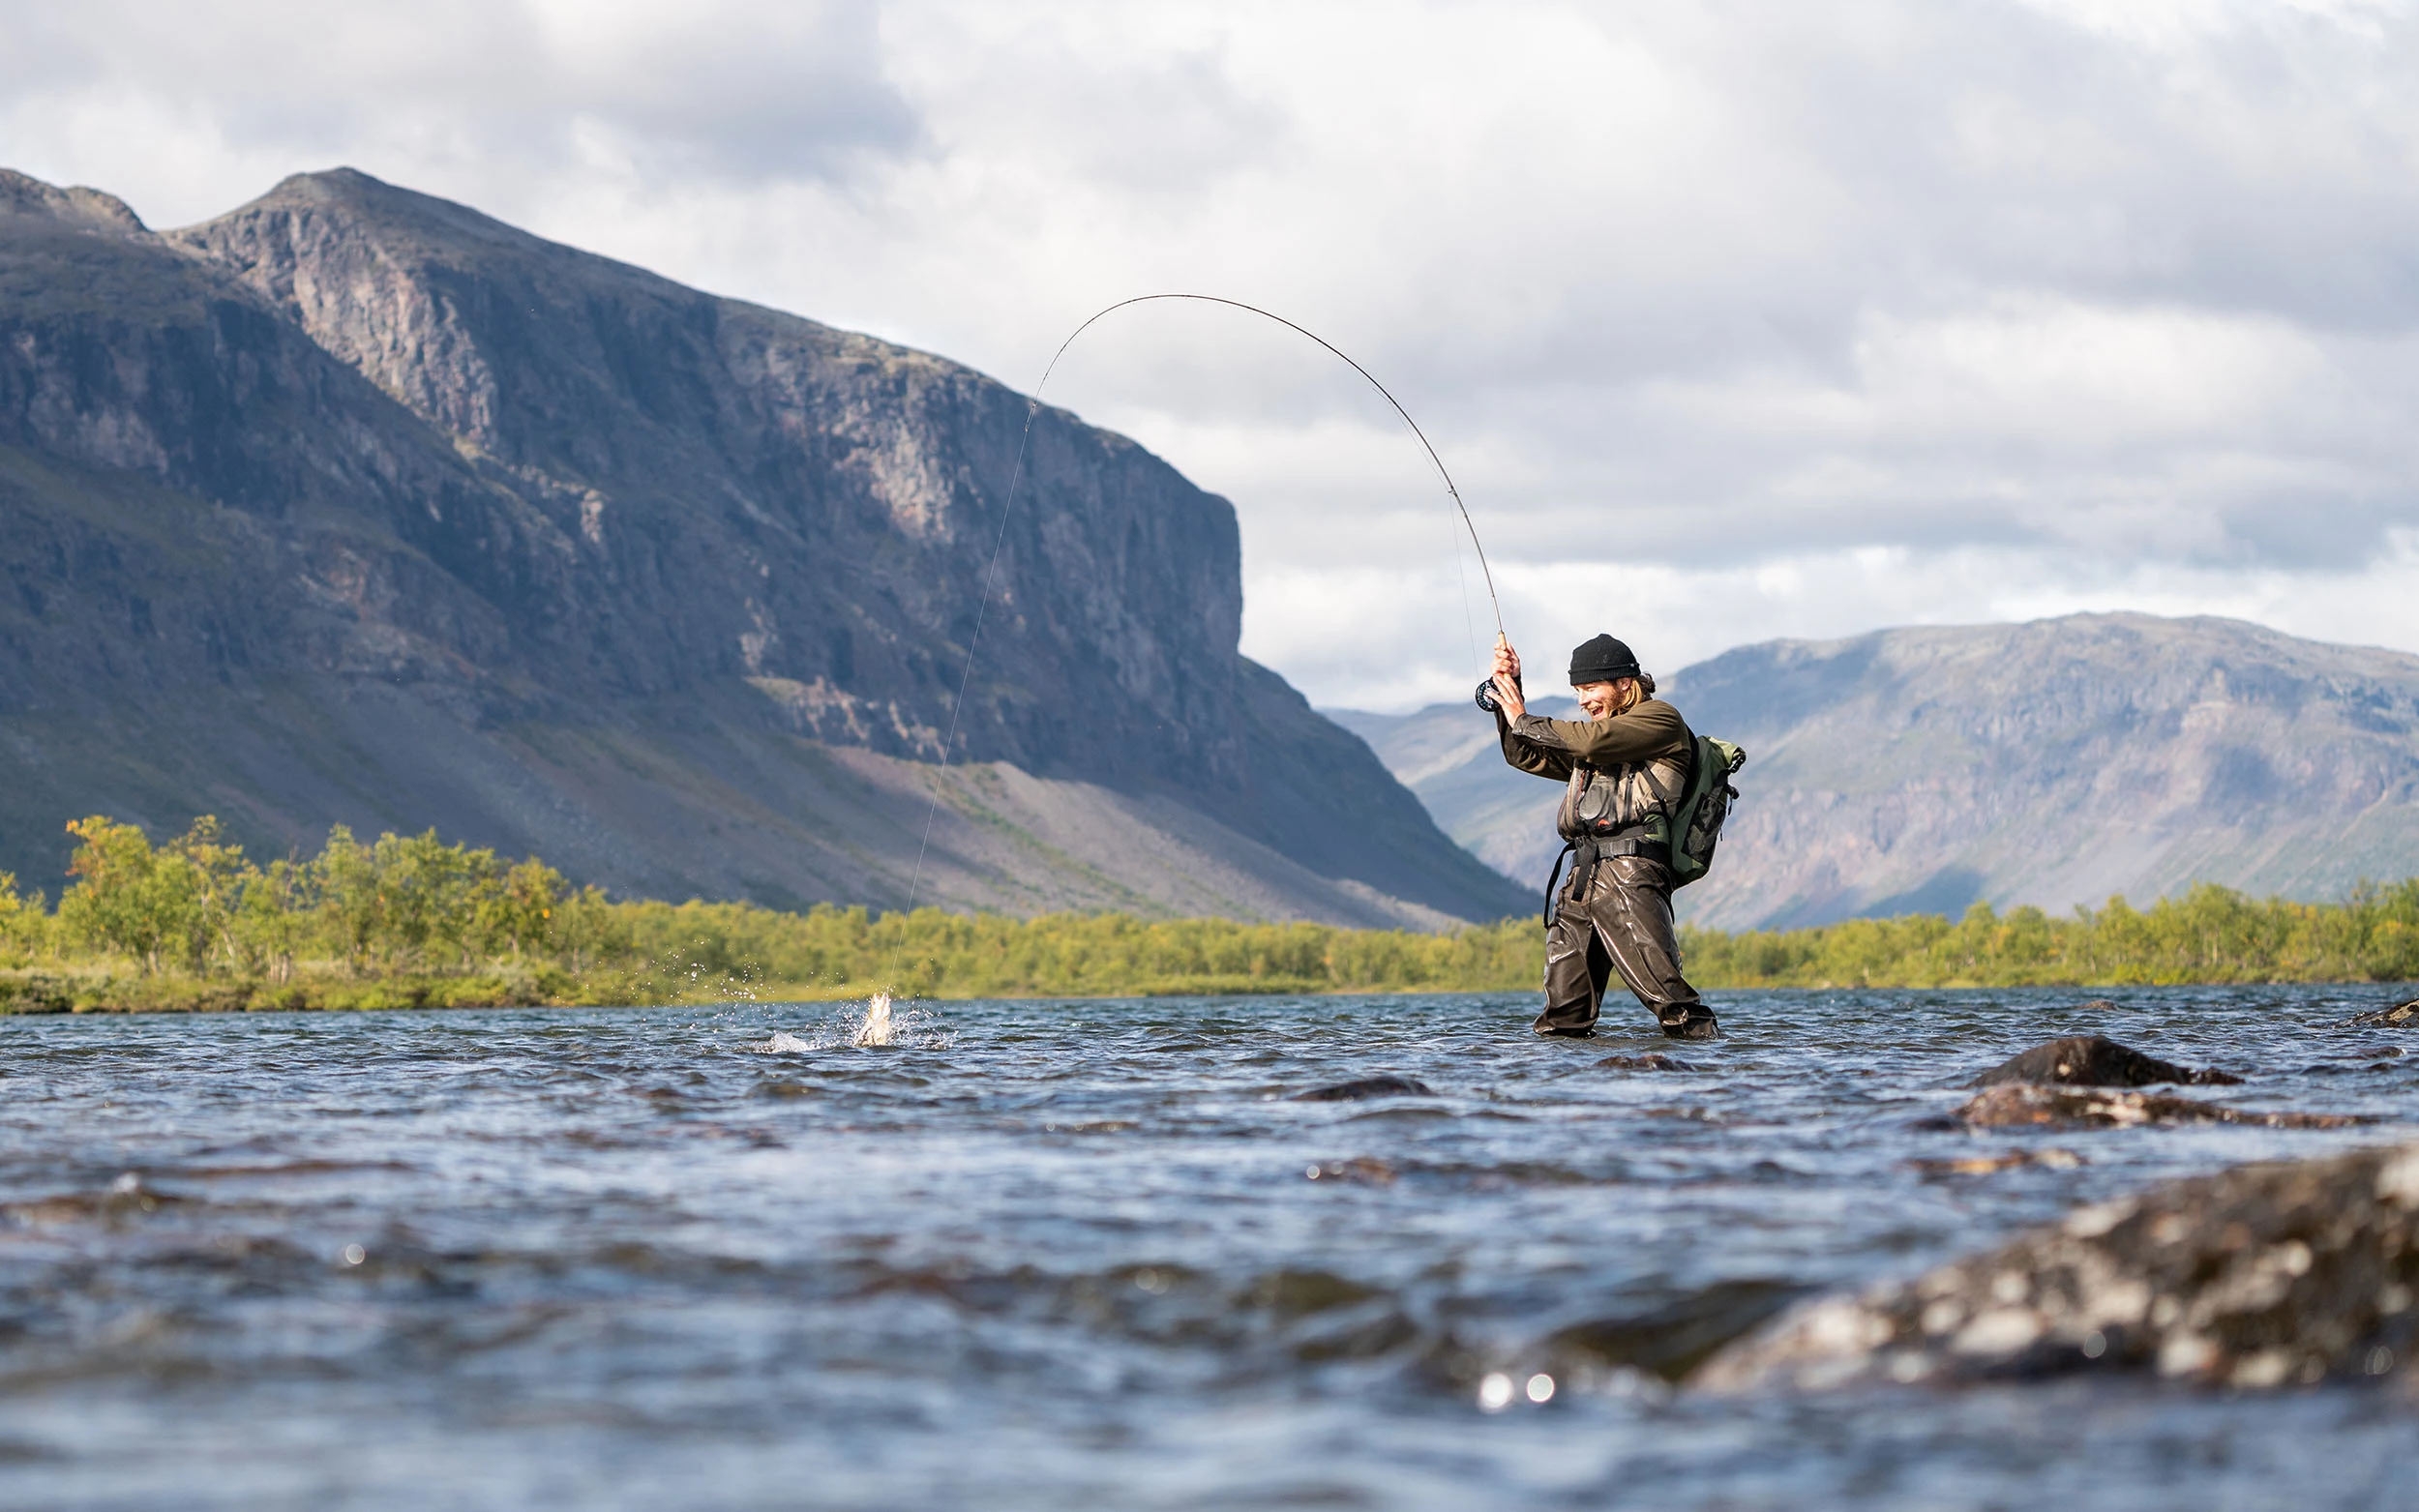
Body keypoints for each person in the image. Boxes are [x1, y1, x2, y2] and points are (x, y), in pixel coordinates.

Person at [1486, 634, 1719, 1040]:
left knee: (1674, 1004)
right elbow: (1524, 754)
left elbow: (1593, 741)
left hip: (1631, 874)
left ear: (1625, 684)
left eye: (1590, 688)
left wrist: (1523, 717)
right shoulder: (1594, 739)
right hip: (1581, 879)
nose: (1582, 700)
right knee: (1562, 1020)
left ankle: (1707, 1084)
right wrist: (1510, 690)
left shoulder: (1661, 720)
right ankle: (1566, 1098)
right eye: (1577, 690)